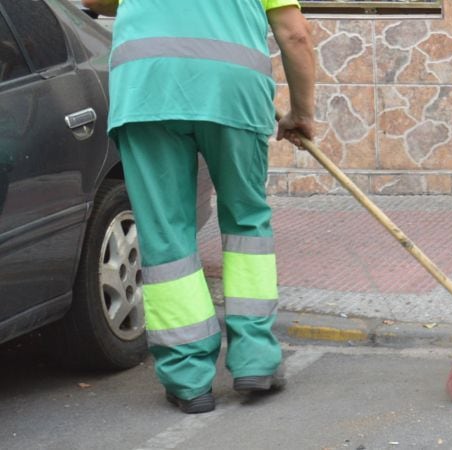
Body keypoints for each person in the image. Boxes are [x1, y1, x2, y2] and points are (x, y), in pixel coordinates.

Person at [81, 0, 316, 414]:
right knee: (247, 222)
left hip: (147, 90)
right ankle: (255, 361)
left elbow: (92, 2)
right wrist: (301, 113)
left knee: (165, 233)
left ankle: (189, 379)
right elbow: (294, 34)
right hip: (232, 89)